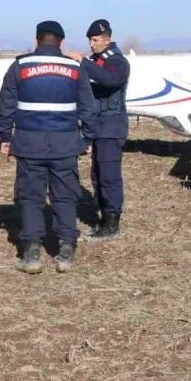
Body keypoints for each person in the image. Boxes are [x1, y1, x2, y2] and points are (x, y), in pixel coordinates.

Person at [0, 21, 99, 274]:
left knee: (31, 197)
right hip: (64, 142)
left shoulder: (20, 65)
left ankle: (31, 253)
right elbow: (88, 106)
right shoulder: (75, 67)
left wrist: (5, 136)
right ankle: (66, 250)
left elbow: (6, 104)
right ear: (62, 42)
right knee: (64, 195)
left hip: (29, 142)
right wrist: (88, 138)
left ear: (37, 40)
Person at [66, 19, 130, 241]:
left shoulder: (117, 62)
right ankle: (104, 218)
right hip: (98, 128)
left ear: (107, 39)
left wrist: (83, 62)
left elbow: (110, 80)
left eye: (95, 40)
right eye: (90, 40)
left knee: (110, 177)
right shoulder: (97, 61)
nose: (91, 44)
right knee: (98, 176)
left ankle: (112, 224)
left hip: (111, 129)